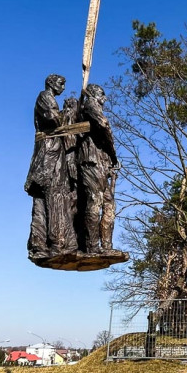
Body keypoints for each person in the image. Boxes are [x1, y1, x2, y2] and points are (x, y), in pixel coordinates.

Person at [25, 74, 78, 260]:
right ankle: (56, 243)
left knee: (44, 200)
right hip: (49, 154)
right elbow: (55, 120)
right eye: (61, 83)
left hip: (49, 152)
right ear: (50, 83)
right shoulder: (45, 97)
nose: (63, 87)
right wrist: (70, 112)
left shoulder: (48, 99)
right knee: (55, 196)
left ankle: (41, 244)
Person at [75, 83, 119, 254]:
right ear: (93, 94)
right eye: (102, 94)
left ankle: (106, 246)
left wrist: (109, 159)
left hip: (100, 163)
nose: (104, 98)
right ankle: (92, 247)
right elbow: (104, 124)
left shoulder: (92, 105)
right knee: (94, 202)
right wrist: (113, 152)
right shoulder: (90, 105)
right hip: (90, 162)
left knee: (109, 203)